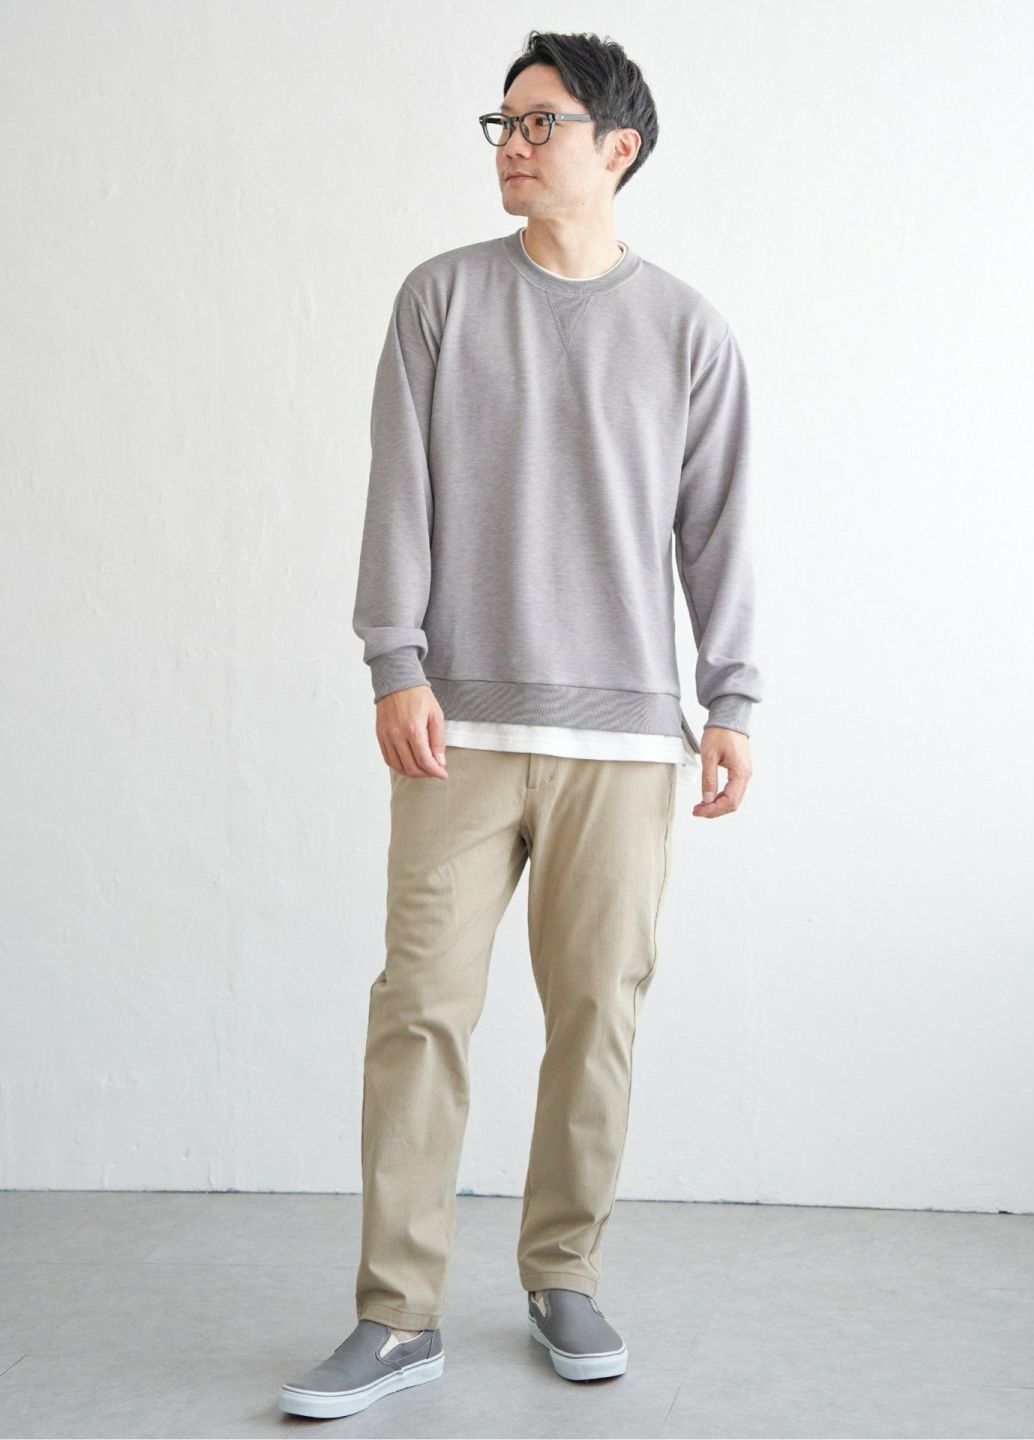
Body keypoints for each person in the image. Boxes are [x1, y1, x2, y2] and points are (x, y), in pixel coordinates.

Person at [278, 27, 762, 1421]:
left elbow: (718, 531)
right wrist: (394, 661)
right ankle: (397, 1314)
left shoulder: (690, 332)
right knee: (419, 1010)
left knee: (596, 1014)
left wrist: (732, 698)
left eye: (540, 122)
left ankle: (564, 1274)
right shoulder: (440, 300)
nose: (512, 143)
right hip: (460, 724)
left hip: (626, 740)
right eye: (503, 122)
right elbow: (402, 491)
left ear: (618, 148)